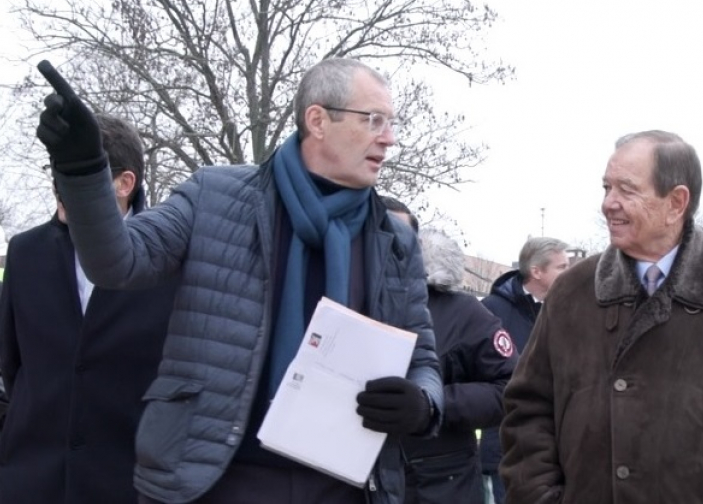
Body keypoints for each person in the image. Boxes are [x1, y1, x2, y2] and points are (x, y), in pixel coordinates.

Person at [34, 57, 444, 504]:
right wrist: (83, 172)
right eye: (374, 120)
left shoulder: (396, 238)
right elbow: (118, 262)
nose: (389, 137)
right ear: (318, 120)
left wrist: (422, 405)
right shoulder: (214, 194)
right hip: (215, 481)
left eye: (390, 122)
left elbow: (421, 355)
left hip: (343, 487)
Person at [500, 130, 703, 503]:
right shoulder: (572, 292)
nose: (609, 203)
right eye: (606, 188)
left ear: (676, 202)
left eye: (626, 190)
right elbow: (528, 407)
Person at [0, 115, 177, 504]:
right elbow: (12, 366)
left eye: (79, 171)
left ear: (124, 183)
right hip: (31, 482)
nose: (59, 185)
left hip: (126, 485)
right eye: (57, 168)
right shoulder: (25, 252)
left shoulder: (171, 261)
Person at [382, 198, 517, 504]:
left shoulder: (464, 313)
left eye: (399, 235)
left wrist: (431, 404)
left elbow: (509, 388)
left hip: (440, 484)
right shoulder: (341, 297)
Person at [478, 236, 569, 504]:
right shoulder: (491, 313)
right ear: (537, 271)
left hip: (557, 446)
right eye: (561, 267)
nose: (569, 273)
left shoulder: (568, 310)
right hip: (505, 447)